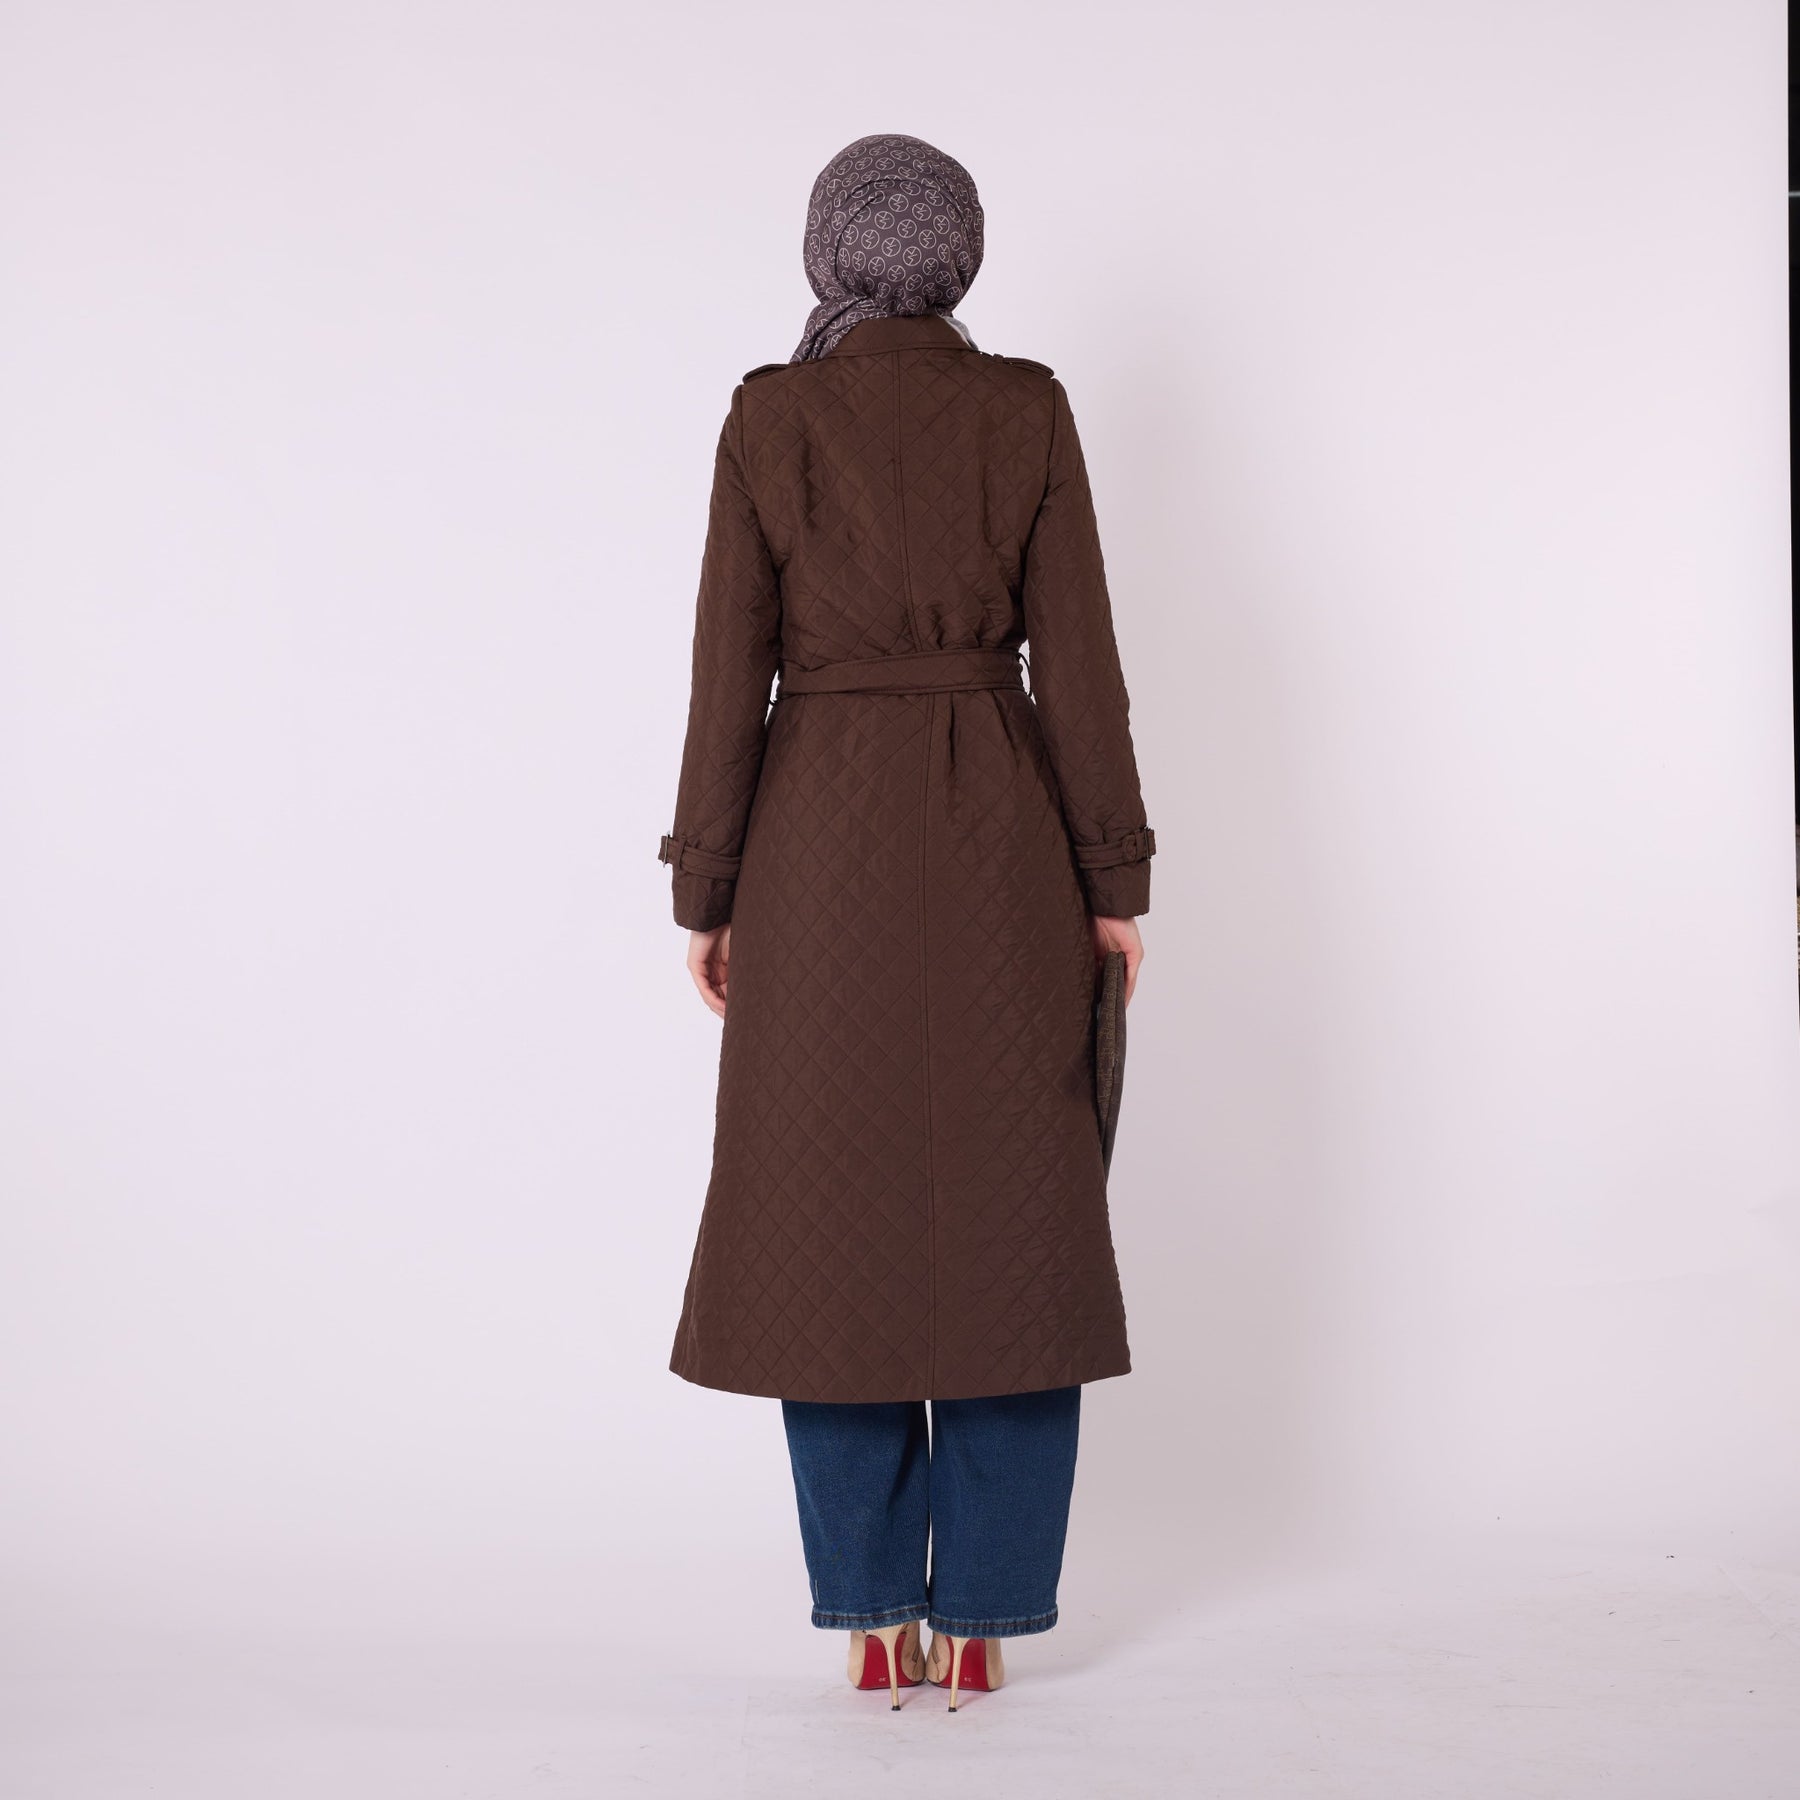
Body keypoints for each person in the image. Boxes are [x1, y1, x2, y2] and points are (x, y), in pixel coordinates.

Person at [656, 132, 1155, 1711]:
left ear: (828, 255)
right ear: (960, 256)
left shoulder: (771, 416)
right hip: (1005, 843)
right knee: (1018, 1228)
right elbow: (1080, 662)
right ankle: (988, 1613)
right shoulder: (1027, 409)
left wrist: (708, 890)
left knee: (828, 1231)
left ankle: (876, 1612)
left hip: (815, 851)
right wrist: (1112, 884)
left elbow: (727, 673)